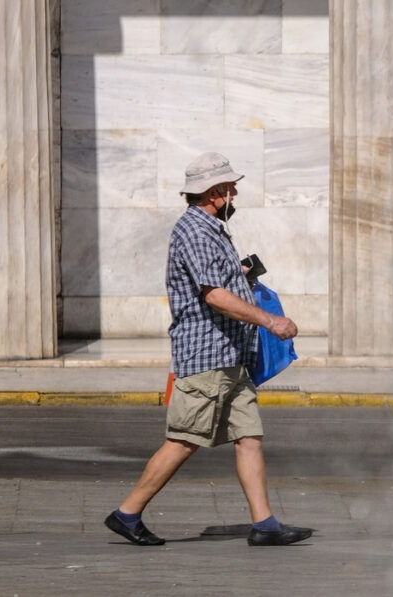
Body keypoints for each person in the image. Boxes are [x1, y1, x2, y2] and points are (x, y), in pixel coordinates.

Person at [104, 152, 314, 547]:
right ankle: (127, 513)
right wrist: (271, 322)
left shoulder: (212, 229)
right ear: (215, 193)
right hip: (207, 356)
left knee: (248, 436)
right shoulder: (196, 232)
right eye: (230, 187)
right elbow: (214, 295)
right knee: (184, 439)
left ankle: (264, 524)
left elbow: (220, 283)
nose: (235, 192)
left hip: (229, 356)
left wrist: (243, 275)